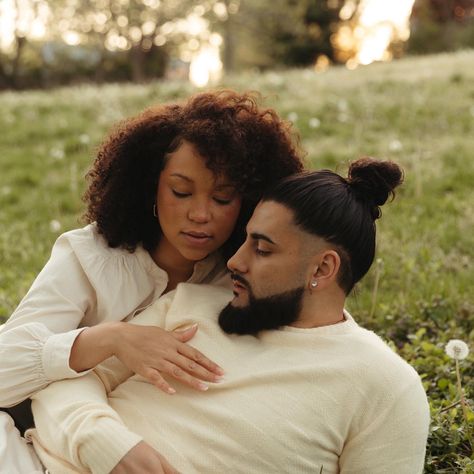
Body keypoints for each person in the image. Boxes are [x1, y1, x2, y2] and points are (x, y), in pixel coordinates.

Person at [28, 158, 429, 474]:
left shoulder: (385, 386)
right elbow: (64, 379)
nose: (235, 261)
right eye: (245, 240)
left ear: (322, 270)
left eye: (263, 249)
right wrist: (106, 445)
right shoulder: (195, 303)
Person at [0, 90, 303, 468]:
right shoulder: (90, 255)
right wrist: (112, 338)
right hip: (33, 442)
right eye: (181, 191)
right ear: (150, 187)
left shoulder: (242, 276)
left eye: (223, 198)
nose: (200, 214)